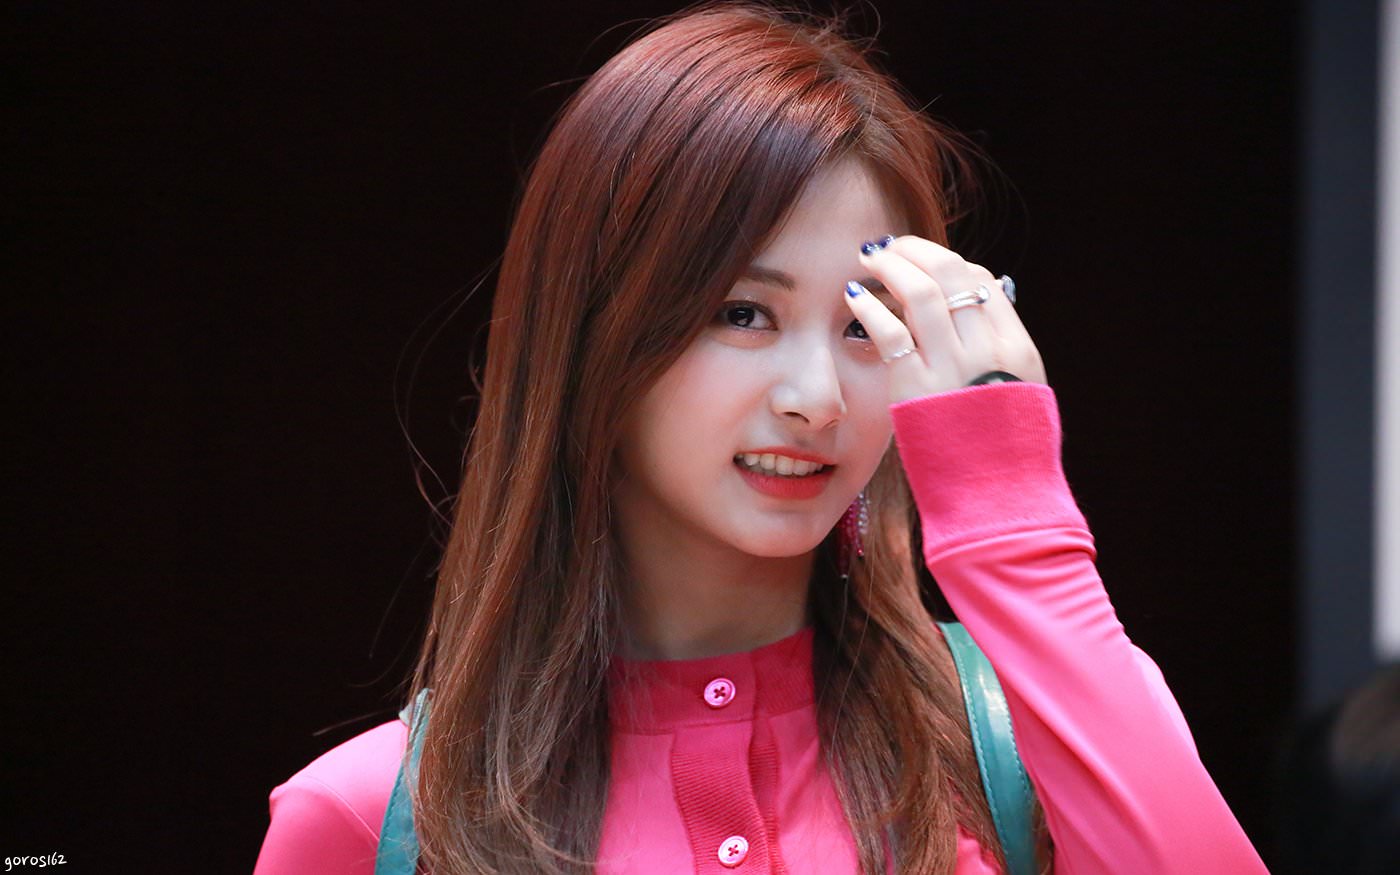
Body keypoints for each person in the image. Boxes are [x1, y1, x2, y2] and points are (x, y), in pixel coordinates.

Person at [252, 2, 1268, 872]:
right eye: (742, 312)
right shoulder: (370, 818)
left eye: (865, 322)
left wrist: (1013, 520)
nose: (817, 399)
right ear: (594, 331)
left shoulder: (1049, 730)